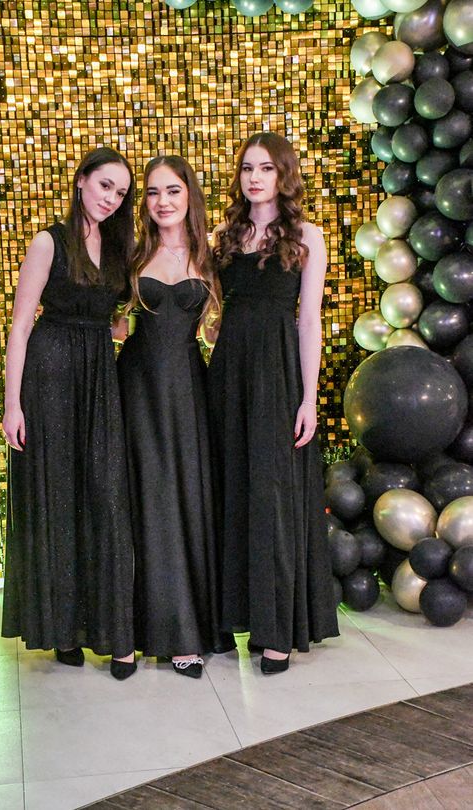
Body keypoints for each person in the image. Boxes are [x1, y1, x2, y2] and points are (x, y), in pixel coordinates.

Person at [1, 147, 137, 680]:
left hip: (100, 375)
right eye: (104, 185)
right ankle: (63, 630)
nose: (111, 198)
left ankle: (108, 628)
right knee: (57, 497)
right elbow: (20, 326)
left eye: (121, 192)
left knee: (103, 495)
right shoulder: (48, 242)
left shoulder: (120, 248)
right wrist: (13, 404)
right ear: (81, 181)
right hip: (50, 373)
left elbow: (114, 321)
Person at [208, 132, 339, 675]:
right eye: (247, 168)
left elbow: (309, 321)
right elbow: (210, 309)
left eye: (265, 168)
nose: (255, 177)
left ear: (284, 174)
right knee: (230, 490)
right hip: (227, 372)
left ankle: (276, 629)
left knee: (273, 497)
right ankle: (230, 618)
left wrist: (308, 397)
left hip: (279, 373)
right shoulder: (222, 235)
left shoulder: (307, 235)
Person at [117, 155, 234, 679]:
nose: (162, 201)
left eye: (172, 190)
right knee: (149, 504)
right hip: (136, 388)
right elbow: (115, 324)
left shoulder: (211, 256)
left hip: (189, 391)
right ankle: (146, 632)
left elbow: (215, 330)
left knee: (186, 503)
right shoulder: (131, 253)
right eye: (152, 192)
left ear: (190, 196)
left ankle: (191, 629)